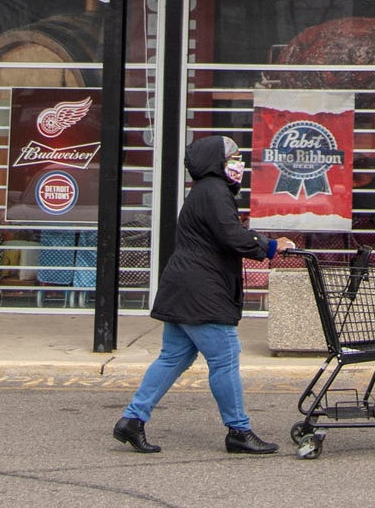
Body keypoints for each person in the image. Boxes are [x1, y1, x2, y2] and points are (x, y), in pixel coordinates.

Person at [113, 134, 298, 455]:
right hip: (202, 291)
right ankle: (238, 430)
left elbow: (224, 233)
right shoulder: (214, 191)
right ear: (217, 163)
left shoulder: (204, 191)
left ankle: (132, 420)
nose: (238, 165)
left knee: (174, 356)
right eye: (233, 159)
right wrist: (270, 246)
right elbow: (231, 235)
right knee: (225, 358)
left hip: (184, 286)